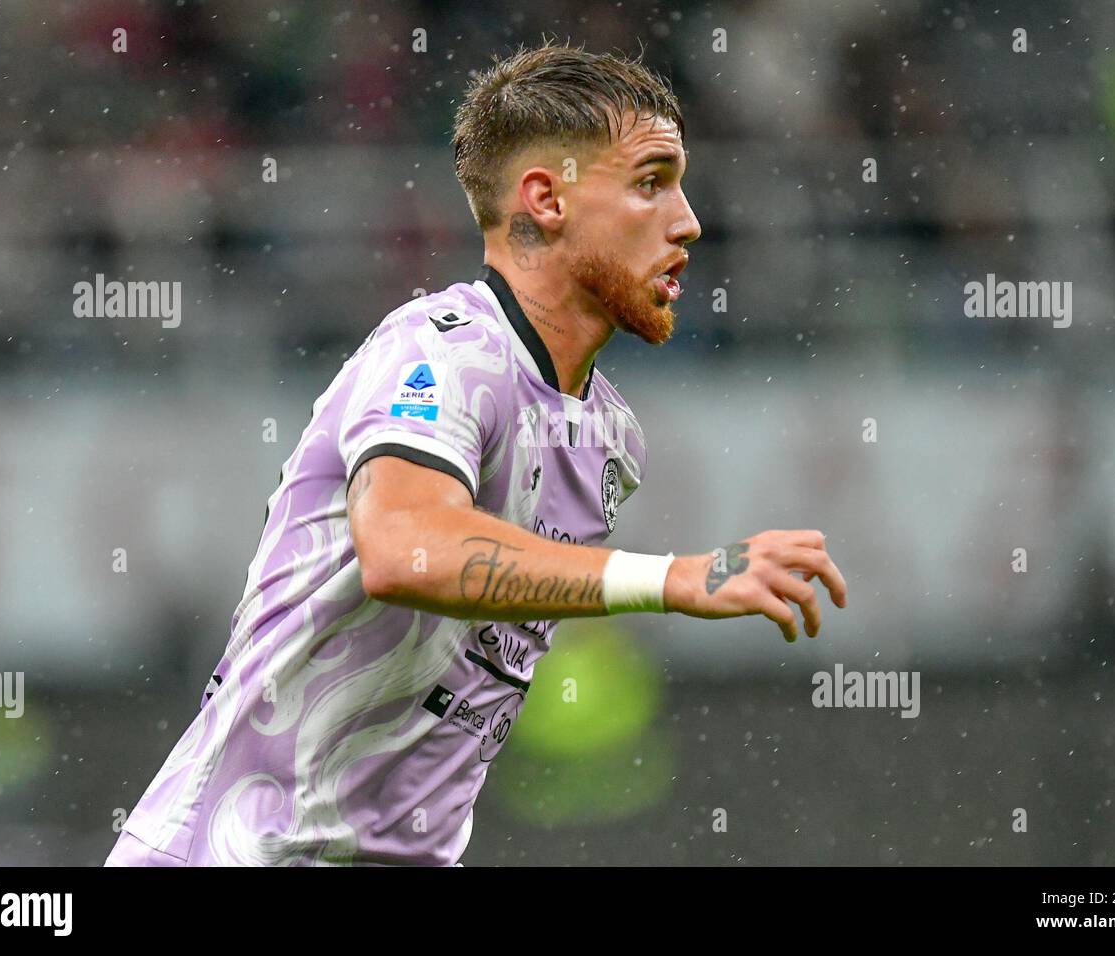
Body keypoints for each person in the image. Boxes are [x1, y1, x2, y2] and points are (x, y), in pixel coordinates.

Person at [106, 40, 847, 867]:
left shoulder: (608, 439)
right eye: (651, 182)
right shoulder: (440, 351)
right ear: (546, 198)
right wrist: (674, 578)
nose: (689, 220)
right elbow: (403, 551)